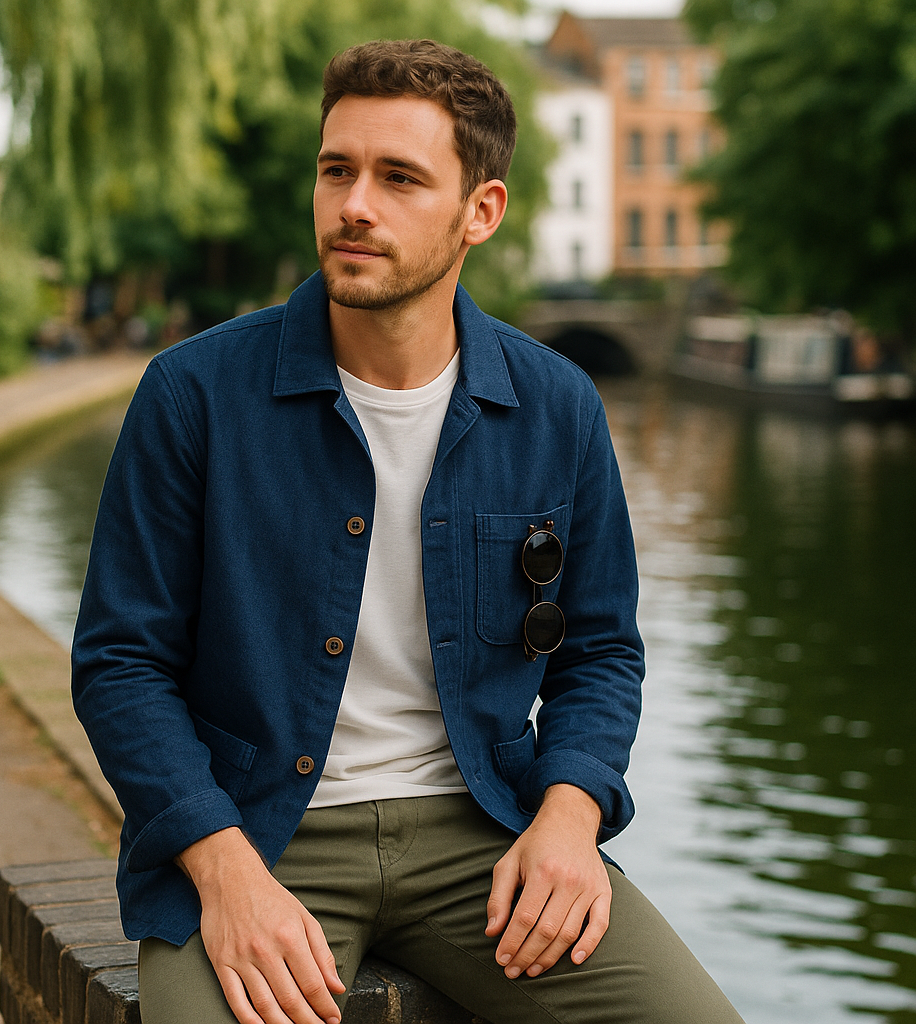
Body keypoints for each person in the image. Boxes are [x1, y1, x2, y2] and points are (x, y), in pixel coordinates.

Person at [71, 38, 745, 1024]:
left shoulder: (557, 405)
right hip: (257, 832)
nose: (353, 204)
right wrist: (222, 870)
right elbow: (121, 664)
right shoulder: (193, 395)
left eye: (398, 178)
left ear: (481, 211)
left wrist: (569, 813)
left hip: (488, 832)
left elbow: (599, 652)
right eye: (336, 169)